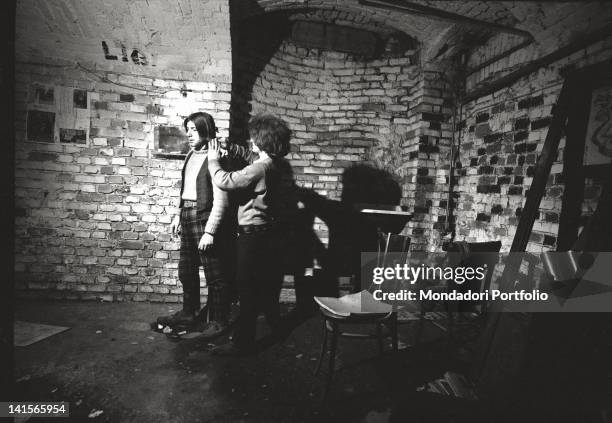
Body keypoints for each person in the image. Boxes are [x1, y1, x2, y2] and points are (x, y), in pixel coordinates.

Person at [206, 113, 291, 356]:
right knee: (264, 289)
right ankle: (278, 329)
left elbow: (226, 180)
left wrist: (214, 159)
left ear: (262, 141)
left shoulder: (259, 169)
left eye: (254, 138)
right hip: (266, 236)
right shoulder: (274, 164)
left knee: (246, 290)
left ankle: (243, 344)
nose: (251, 142)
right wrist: (228, 147)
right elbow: (250, 156)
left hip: (252, 238)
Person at [155, 112, 233, 339]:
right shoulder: (190, 154)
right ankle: (189, 312)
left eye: (194, 130)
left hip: (205, 218)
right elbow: (186, 189)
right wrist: (179, 215)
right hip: (188, 215)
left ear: (206, 130)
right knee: (186, 270)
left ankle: (219, 321)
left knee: (215, 274)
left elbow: (222, 199)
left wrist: (210, 230)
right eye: (187, 130)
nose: (189, 135)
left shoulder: (216, 156)